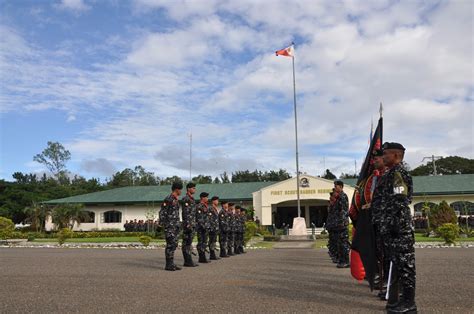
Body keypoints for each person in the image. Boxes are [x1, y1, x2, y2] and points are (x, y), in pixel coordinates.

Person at [379, 142, 417, 313]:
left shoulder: (399, 173)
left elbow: (400, 201)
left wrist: (395, 224)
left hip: (399, 229)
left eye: (386, 154)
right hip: (392, 228)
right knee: (399, 266)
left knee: (406, 266)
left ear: (395, 155)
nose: (383, 156)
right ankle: (402, 299)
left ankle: (409, 304)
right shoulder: (391, 173)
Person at [159, 181, 183, 271]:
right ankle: (168, 265)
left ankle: (171, 263)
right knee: (170, 244)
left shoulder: (175, 199)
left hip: (175, 226)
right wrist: (161, 225)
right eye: (180, 189)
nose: (181, 191)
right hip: (169, 226)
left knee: (174, 244)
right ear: (177, 189)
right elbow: (162, 212)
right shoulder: (168, 199)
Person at [181, 182, 198, 267]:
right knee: (186, 243)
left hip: (192, 223)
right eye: (193, 188)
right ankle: (187, 261)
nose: (195, 189)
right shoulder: (186, 199)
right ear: (188, 189)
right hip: (188, 224)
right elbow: (185, 213)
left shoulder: (192, 199)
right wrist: (188, 224)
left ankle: (188, 260)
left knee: (189, 242)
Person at [334, 180, 350, 268]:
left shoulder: (343, 196)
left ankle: (346, 261)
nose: (335, 187)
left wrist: (342, 222)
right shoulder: (338, 197)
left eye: (336, 186)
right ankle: (341, 260)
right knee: (339, 243)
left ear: (341, 187)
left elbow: (344, 211)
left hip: (342, 223)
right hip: (338, 223)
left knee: (344, 243)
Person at [196, 192, 211, 263]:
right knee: (201, 242)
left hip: (205, 227)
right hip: (201, 228)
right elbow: (199, 218)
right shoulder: (199, 206)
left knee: (204, 242)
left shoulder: (205, 206)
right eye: (206, 197)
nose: (207, 199)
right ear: (203, 198)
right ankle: (201, 257)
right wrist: (204, 226)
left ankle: (203, 257)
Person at [326, 190, 338, 263]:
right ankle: (335, 255)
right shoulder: (332, 206)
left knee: (339, 243)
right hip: (333, 226)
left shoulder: (341, 199)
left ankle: (340, 258)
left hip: (337, 225)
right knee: (334, 242)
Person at [208, 196, 221, 260]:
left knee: (214, 241)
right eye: (217, 200)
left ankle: (213, 254)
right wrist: (211, 227)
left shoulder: (215, 209)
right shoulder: (210, 208)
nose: (217, 202)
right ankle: (212, 254)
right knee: (211, 241)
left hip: (215, 227)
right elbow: (210, 219)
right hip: (212, 228)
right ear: (213, 201)